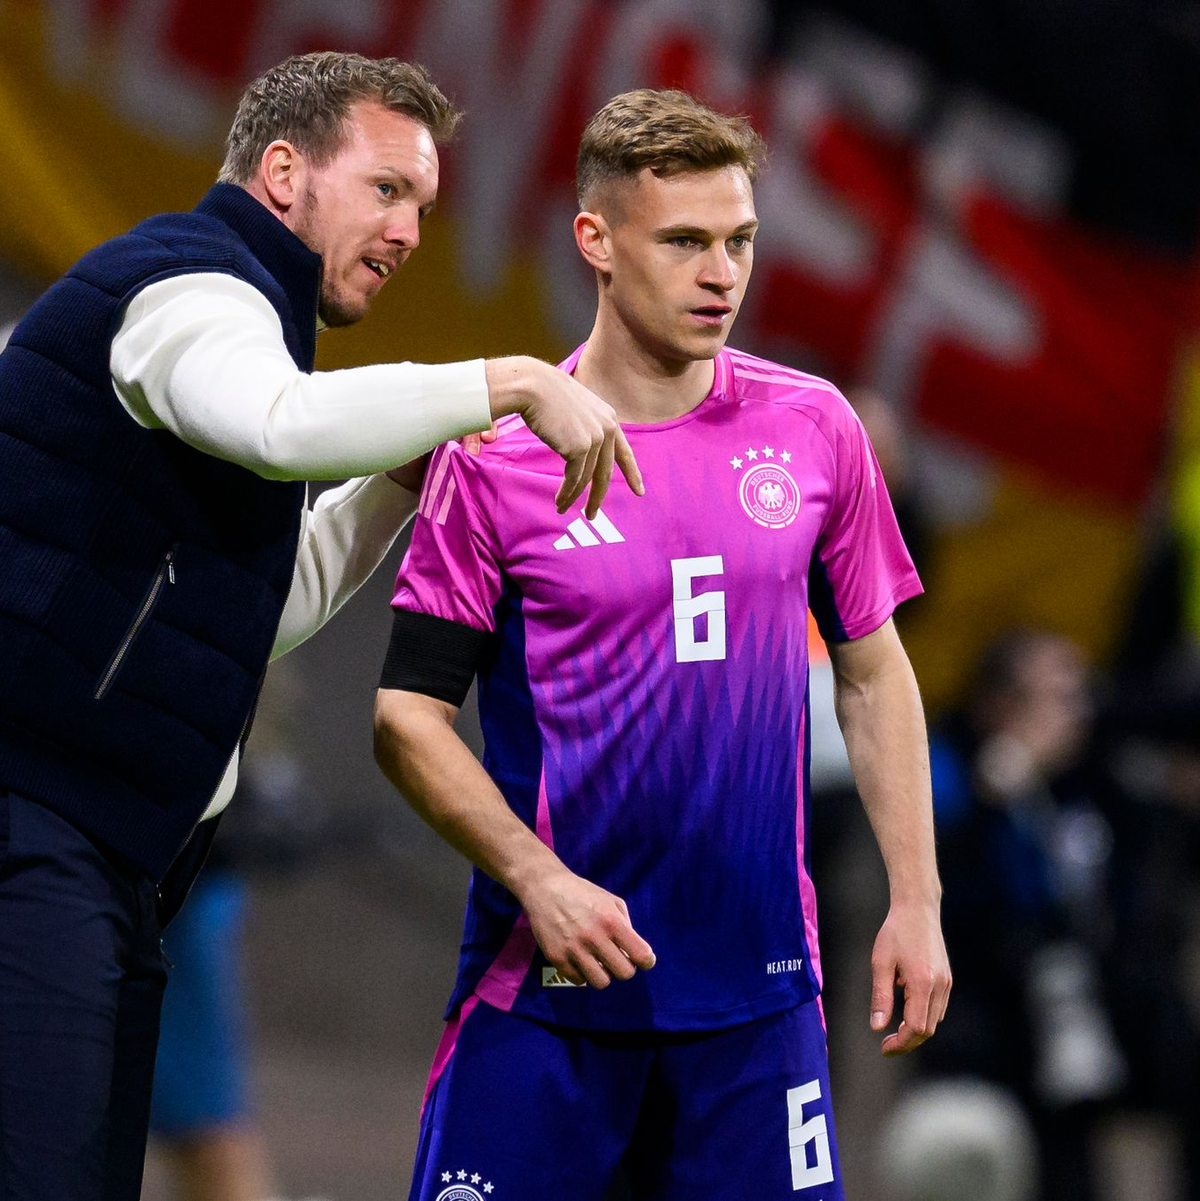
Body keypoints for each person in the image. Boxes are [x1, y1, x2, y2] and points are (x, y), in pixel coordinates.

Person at [0, 50, 643, 1200]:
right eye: (386, 188)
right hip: (31, 828)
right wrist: (502, 379)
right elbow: (281, 424)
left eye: (426, 207)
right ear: (284, 172)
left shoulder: (256, 334)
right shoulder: (191, 287)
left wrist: (399, 479)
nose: (407, 231)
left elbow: (263, 611)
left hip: (116, 863)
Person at [374, 88, 950, 1199]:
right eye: (685, 241)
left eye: (738, 241)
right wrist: (535, 877)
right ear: (595, 240)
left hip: (760, 1009)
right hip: (541, 999)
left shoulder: (816, 428)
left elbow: (874, 673)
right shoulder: (493, 460)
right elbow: (406, 718)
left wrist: (916, 901)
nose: (721, 273)